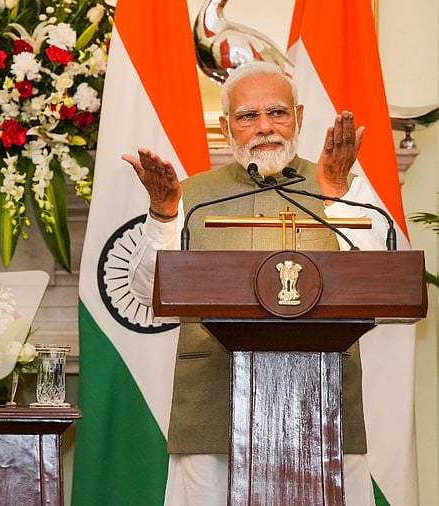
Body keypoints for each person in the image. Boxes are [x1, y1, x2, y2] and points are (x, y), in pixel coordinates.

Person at [123, 61, 388, 505]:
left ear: (298, 117)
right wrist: (164, 216)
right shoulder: (188, 194)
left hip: (323, 413)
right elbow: (147, 292)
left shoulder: (340, 184)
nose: (265, 127)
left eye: (277, 113)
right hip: (213, 410)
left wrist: (338, 194)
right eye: (248, 116)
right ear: (226, 126)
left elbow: (382, 280)